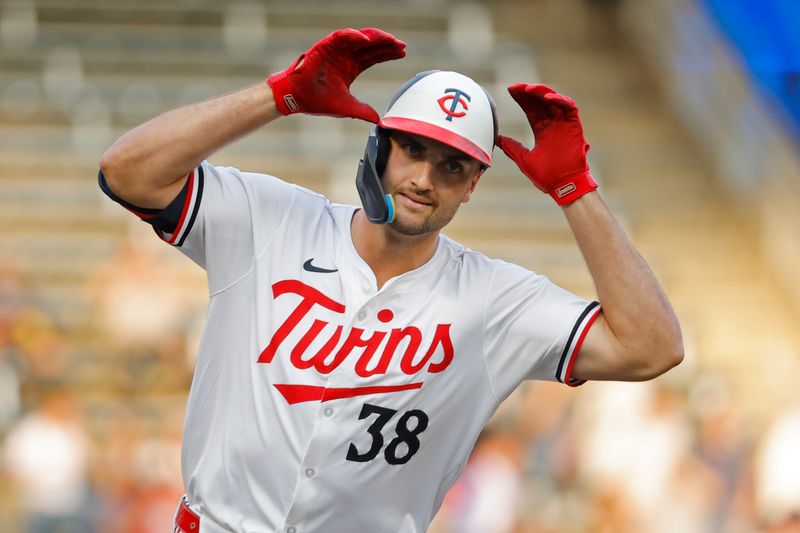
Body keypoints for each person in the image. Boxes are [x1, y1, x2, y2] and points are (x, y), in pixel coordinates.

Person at [98, 27, 683, 533]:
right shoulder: (271, 219)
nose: (425, 178)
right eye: (412, 150)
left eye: (452, 165)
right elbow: (127, 172)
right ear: (379, 147)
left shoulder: (495, 299)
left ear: (473, 184)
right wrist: (280, 96)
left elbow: (652, 347)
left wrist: (574, 190)